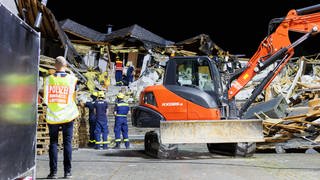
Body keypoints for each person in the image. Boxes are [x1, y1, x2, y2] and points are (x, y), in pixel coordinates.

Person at [43, 56, 79, 179]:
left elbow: (45, 96)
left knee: (53, 143)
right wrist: (70, 72)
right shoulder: (71, 79)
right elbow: (75, 92)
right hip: (68, 116)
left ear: (55, 65)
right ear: (66, 65)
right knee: (67, 144)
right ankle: (67, 172)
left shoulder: (48, 80)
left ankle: (53, 173)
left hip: (53, 116)